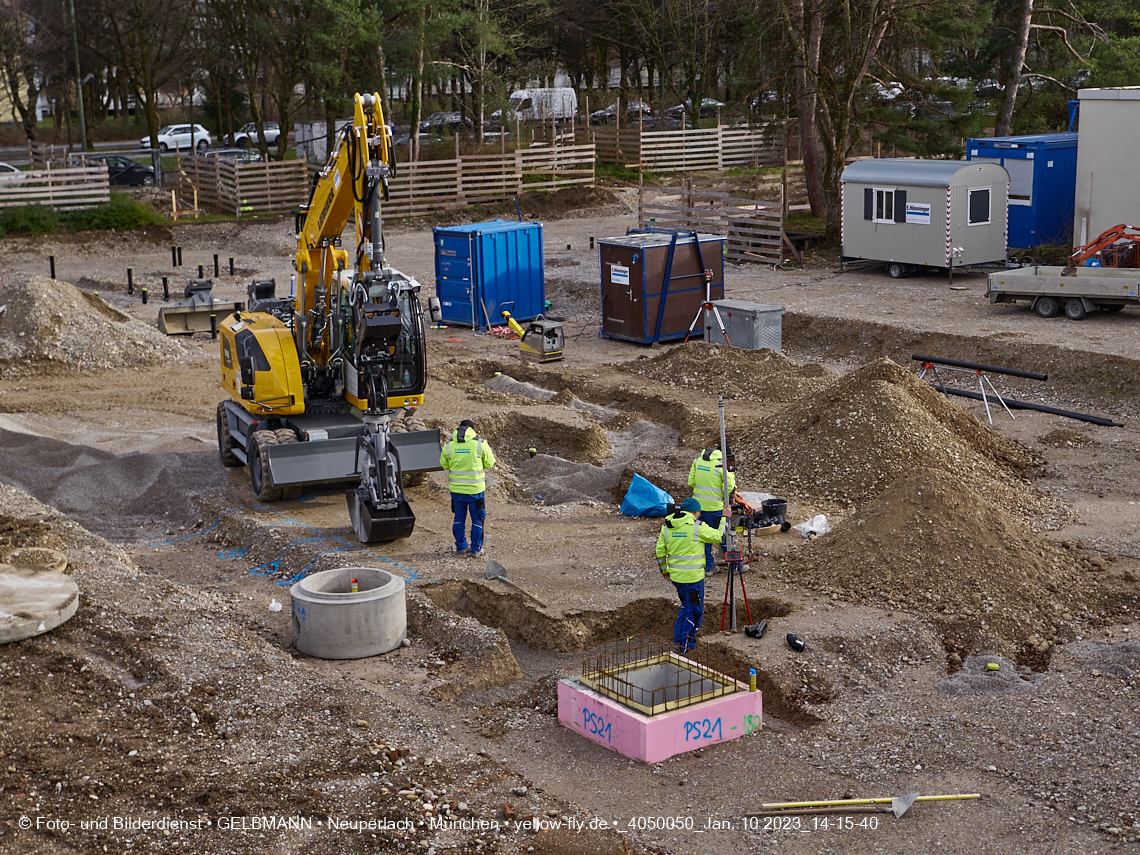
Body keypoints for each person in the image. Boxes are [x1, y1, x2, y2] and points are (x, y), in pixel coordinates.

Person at [656, 497, 727, 653]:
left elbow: (660, 552)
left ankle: (677, 642)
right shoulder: (697, 527)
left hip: (676, 578)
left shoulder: (667, 526)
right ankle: (686, 647)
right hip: (693, 579)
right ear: (696, 512)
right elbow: (719, 536)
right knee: (695, 612)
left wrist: (665, 570)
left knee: (686, 607)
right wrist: (724, 518)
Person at [439, 419, 496, 556]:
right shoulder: (480, 444)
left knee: (459, 518)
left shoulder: (448, 445)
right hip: (475, 491)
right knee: (477, 519)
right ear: (472, 429)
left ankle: (461, 546)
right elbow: (489, 464)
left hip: (457, 491)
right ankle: (476, 549)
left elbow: (444, 465)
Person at [687, 445, 736, 574]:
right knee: (724, 536)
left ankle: (708, 567)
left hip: (697, 509)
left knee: (703, 537)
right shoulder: (722, 465)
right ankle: (735, 567)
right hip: (715, 509)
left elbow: (691, 482)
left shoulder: (698, 461)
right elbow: (730, 487)